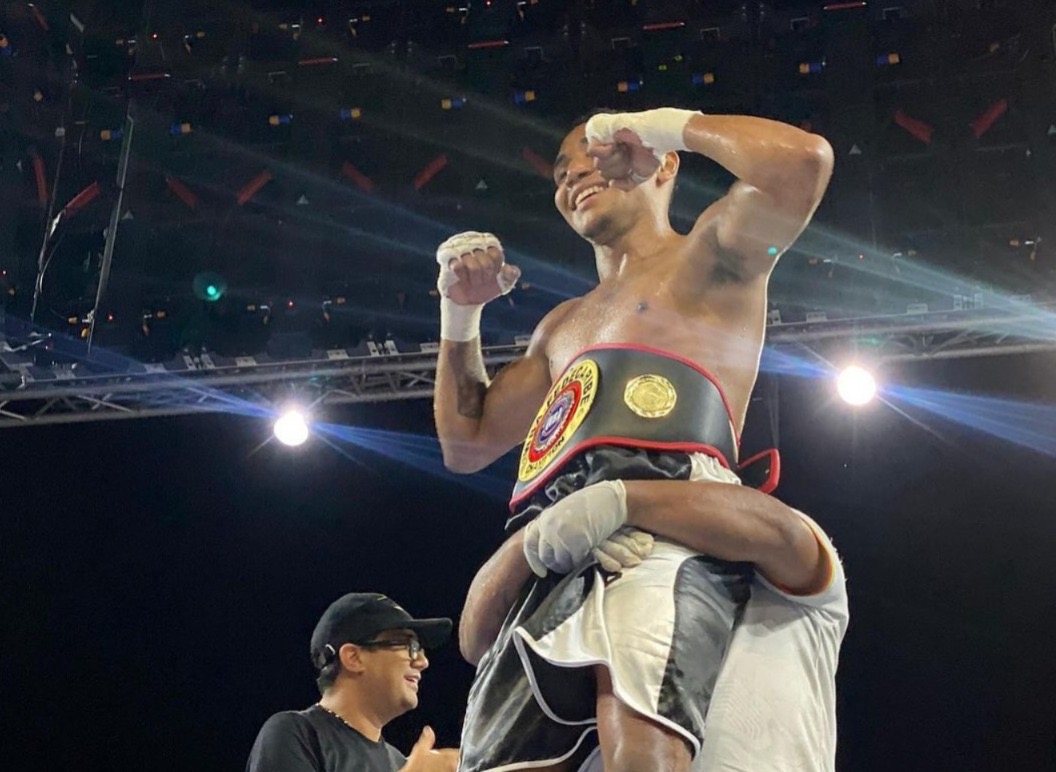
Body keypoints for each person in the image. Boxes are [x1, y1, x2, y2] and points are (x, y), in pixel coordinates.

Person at [432, 106, 834, 771]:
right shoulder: (560, 327)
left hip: (664, 520)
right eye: (562, 173)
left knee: (641, 742)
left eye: (594, 154)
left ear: (662, 164)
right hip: (554, 539)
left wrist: (659, 125)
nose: (575, 176)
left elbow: (801, 162)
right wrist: (460, 313)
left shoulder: (711, 253)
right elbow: (466, 442)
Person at [459, 484, 849, 772]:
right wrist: (533, 539)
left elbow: (781, 532)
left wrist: (621, 499)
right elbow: (476, 644)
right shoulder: (609, 559)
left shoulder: (781, 559)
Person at [246, 592, 460, 772]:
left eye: (420, 649)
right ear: (353, 658)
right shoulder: (296, 734)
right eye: (409, 646)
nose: (422, 661)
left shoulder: (399, 763)